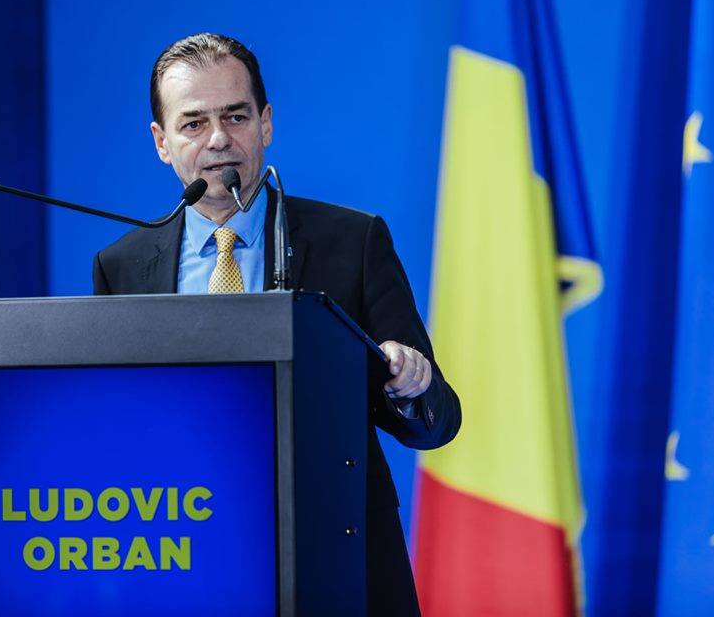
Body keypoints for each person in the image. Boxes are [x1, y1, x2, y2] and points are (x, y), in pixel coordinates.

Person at [93, 33, 461, 615]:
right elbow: (120, 429)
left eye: (235, 116)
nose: (219, 139)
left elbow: (435, 423)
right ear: (161, 142)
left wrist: (410, 385)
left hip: (336, 554)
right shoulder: (122, 267)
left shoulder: (352, 242)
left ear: (265, 123)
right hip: (189, 557)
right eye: (194, 123)